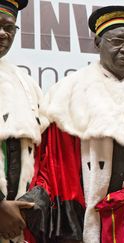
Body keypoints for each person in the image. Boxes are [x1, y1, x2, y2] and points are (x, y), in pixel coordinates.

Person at [32, 5, 124, 242]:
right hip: (84, 211)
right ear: (97, 42)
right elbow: (52, 163)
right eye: (117, 41)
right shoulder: (69, 92)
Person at [0, 0, 47, 242]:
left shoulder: (26, 83)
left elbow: (44, 153)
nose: (2, 33)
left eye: (10, 27)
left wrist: (33, 198)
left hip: (17, 224)